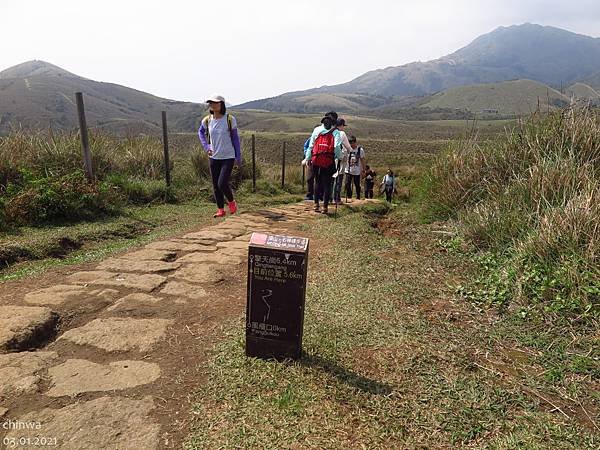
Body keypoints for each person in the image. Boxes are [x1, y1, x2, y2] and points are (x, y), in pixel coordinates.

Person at [198, 94, 241, 218]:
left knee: (222, 183)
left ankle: (232, 202)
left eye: (215, 102)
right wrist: (206, 146)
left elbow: (235, 139)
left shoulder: (229, 119)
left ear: (222, 104)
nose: (212, 104)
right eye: (211, 103)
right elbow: (200, 132)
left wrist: (238, 157)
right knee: (215, 185)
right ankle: (221, 209)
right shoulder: (207, 120)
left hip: (228, 156)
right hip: (214, 157)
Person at [303, 112, 342, 214]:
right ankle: (324, 207)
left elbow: (311, 146)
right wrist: (339, 156)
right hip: (328, 161)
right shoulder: (336, 132)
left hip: (316, 160)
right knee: (327, 184)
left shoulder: (317, 130)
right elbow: (336, 147)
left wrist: (308, 158)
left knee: (317, 181)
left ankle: (316, 205)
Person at [332, 118, 354, 205]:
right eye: (343, 126)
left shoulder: (331, 132)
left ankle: (329, 197)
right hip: (340, 158)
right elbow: (348, 146)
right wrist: (352, 154)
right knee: (339, 177)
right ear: (341, 125)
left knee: (331, 178)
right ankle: (336, 198)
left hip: (330, 158)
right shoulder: (341, 133)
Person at [344, 136, 366, 200]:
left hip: (357, 171)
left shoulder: (360, 150)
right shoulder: (347, 149)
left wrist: (363, 170)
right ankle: (349, 196)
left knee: (357, 185)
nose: (351, 144)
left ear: (355, 142)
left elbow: (363, 160)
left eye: (352, 143)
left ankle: (358, 196)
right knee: (347, 184)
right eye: (350, 143)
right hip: (348, 170)